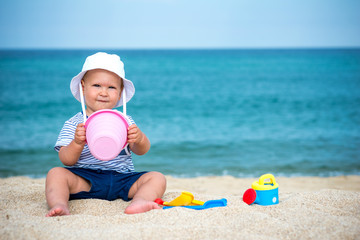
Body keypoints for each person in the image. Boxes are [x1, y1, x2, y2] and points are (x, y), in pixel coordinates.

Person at [45, 52, 166, 217]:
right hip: (86, 179)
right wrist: (77, 143)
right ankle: (59, 204)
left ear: (120, 91)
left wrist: (139, 138)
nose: (104, 92)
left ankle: (140, 201)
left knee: (156, 178)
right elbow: (67, 159)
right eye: (96, 86)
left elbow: (142, 150)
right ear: (83, 87)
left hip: (122, 178)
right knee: (56, 174)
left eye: (111, 87)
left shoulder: (124, 121)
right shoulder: (75, 123)